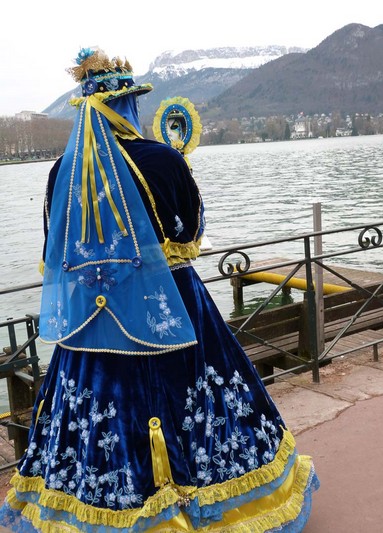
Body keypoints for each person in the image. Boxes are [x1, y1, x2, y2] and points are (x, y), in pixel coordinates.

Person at [0, 47, 319, 532]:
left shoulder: (60, 174)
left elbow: (54, 254)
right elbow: (189, 236)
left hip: (92, 322)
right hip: (174, 307)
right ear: (127, 104)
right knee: (199, 404)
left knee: (95, 420)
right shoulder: (163, 160)